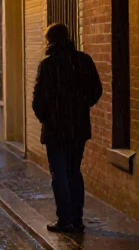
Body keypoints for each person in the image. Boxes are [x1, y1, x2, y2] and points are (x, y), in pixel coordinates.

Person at [31, 23, 102, 233]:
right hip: (77, 127)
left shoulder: (48, 66)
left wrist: (47, 116)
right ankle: (77, 218)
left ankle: (65, 219)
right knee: (73, 171)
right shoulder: (83, 61)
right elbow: (96, 90)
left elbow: (38, 100)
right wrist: (80, 107)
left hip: (55, 129)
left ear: (50, 41)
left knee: (59, 174)